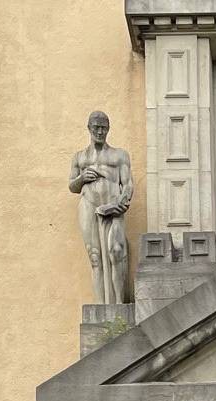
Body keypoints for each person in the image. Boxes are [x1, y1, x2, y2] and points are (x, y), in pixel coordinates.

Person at [69, 110, 134, 307]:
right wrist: (81, 179)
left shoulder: (119, 155)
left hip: (112, 209)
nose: (100, 132)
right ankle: (101, 306)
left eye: (103, 128)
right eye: (96, 128)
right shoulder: (80, 157)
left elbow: (128, 185)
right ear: (89, 128)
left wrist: (118, 205)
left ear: (108, 130)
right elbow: (72, 186)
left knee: (115, 251)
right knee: (95, 256)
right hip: (88, 205)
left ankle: (118, 304)